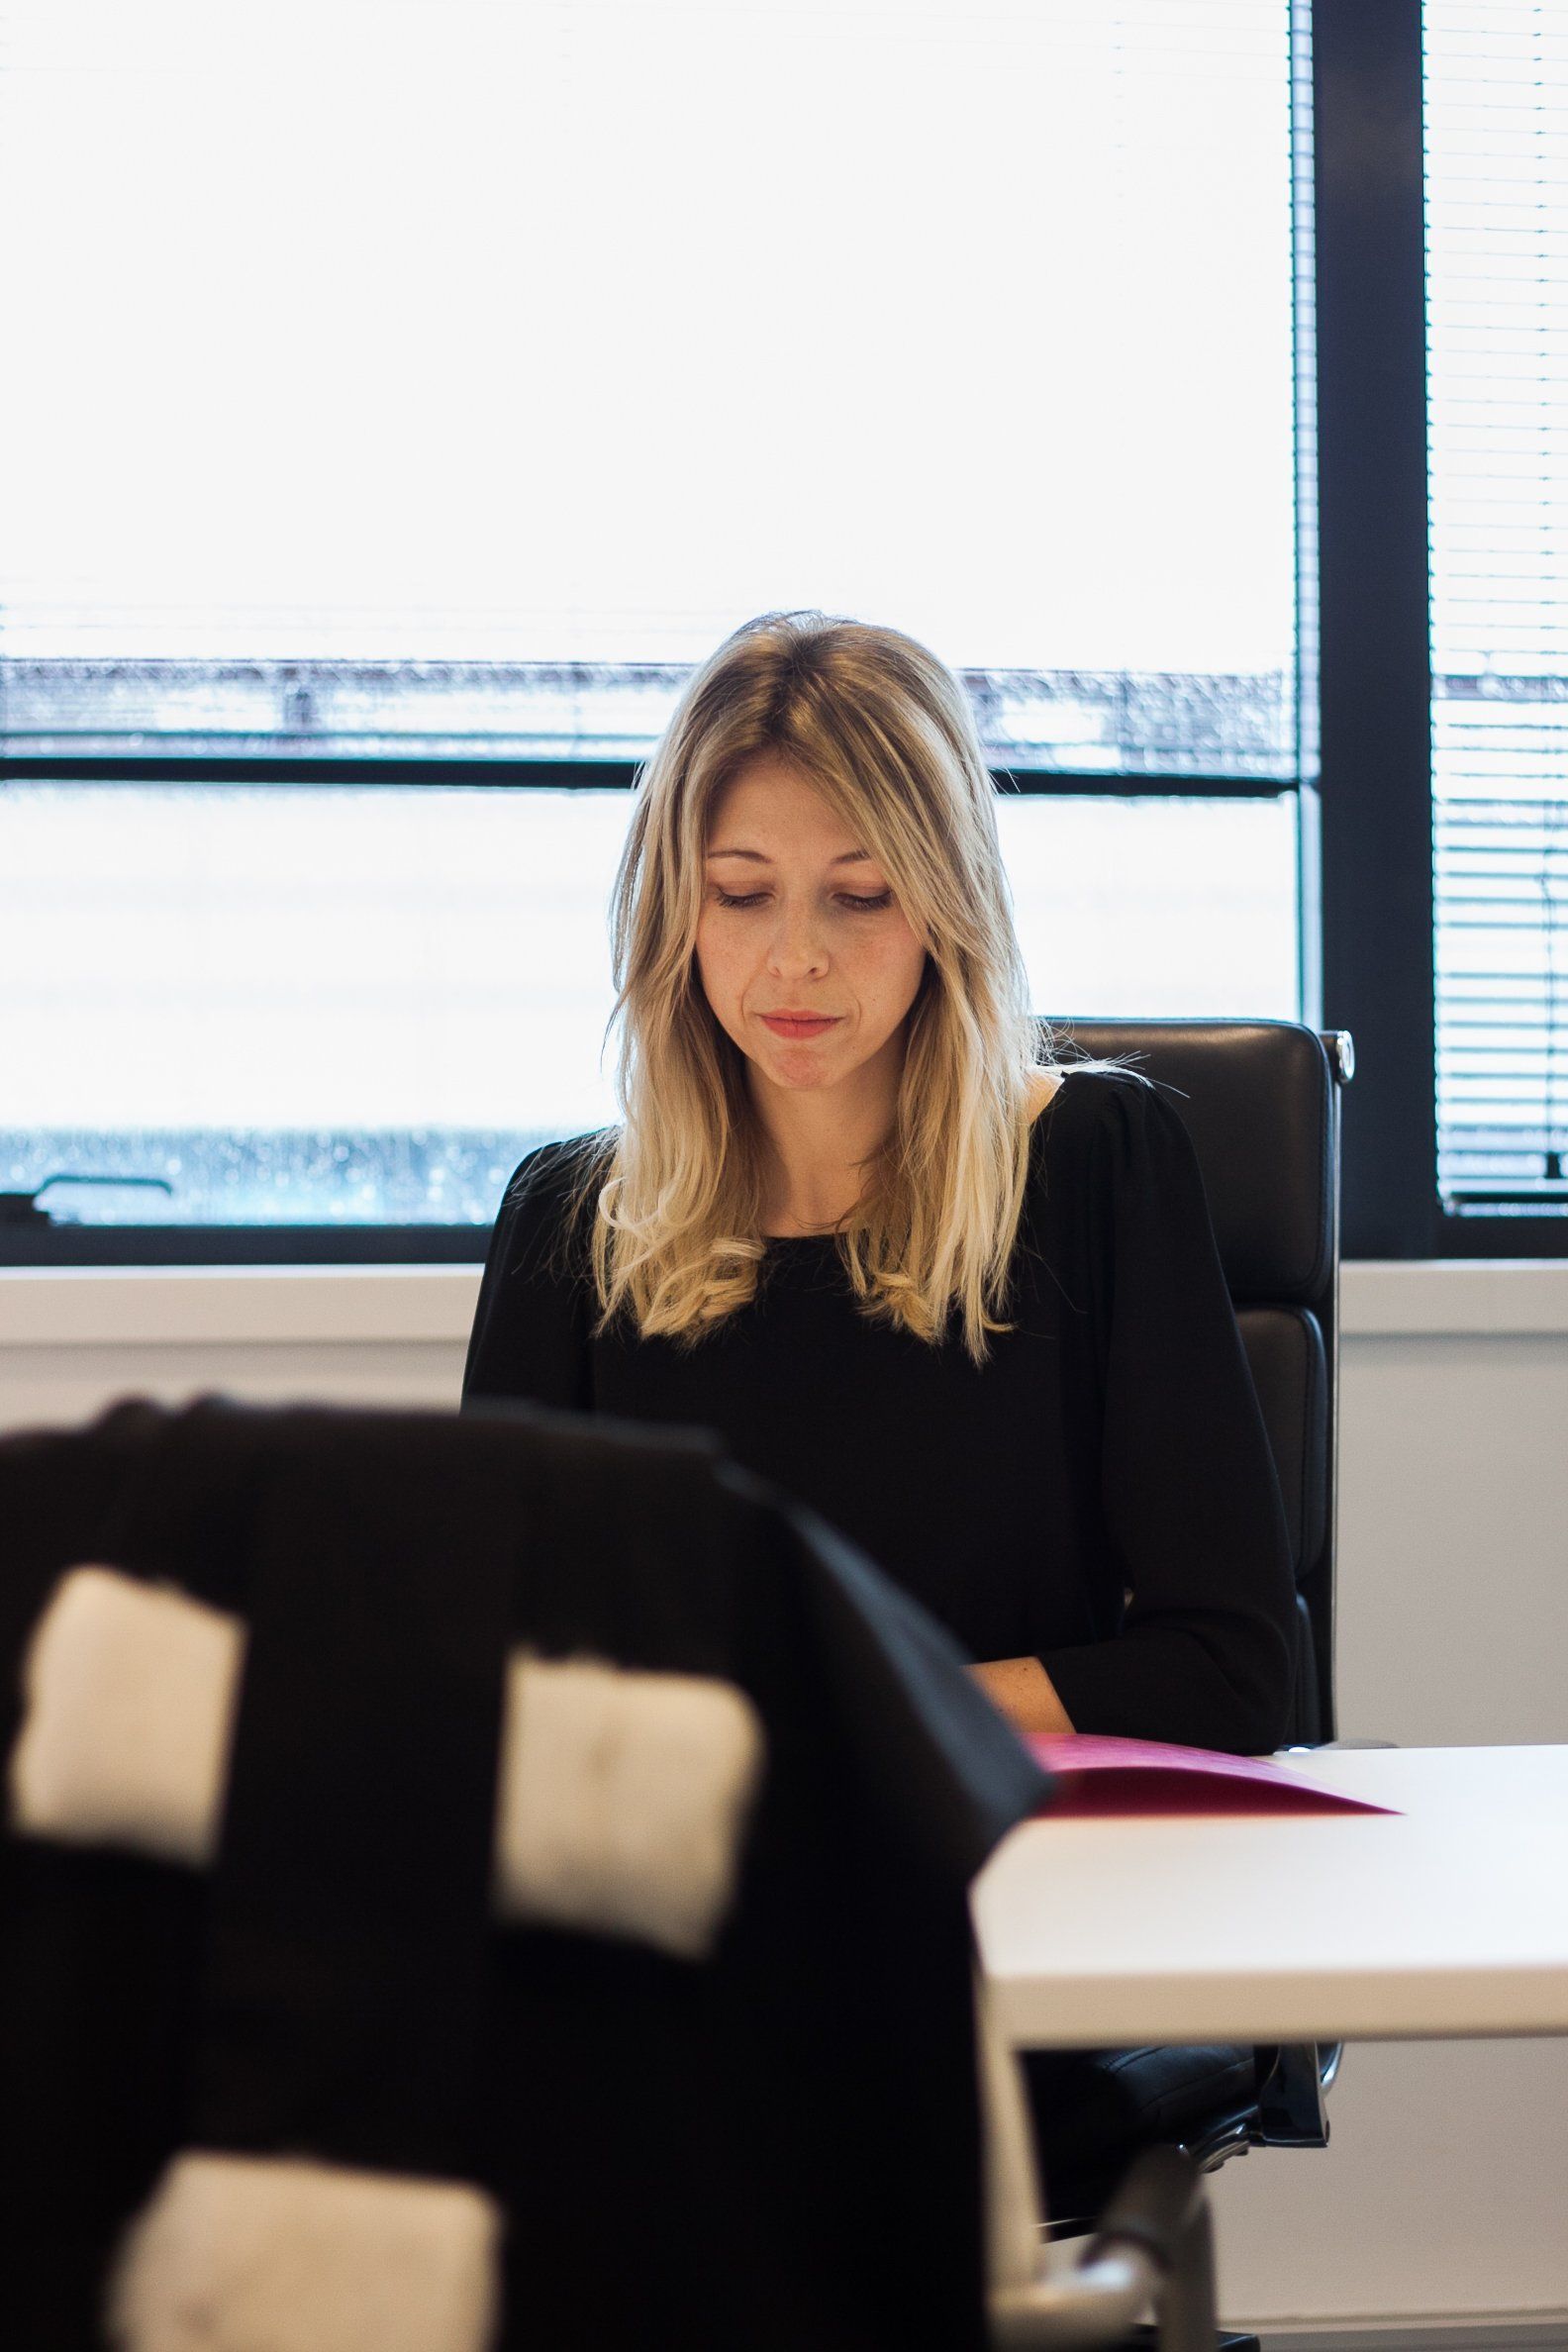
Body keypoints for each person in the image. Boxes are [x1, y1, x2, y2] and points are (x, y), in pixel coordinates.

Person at [463, 610, 1295, 1755]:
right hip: (686, 1876)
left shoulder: (1100, 1159)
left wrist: (840, 1700)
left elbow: (1232, 1675)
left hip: (1014, 1867)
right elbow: (491, 1677)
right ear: (675, 913)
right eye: (742, 894)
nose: (796, 957)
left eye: (861, 897)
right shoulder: (571, 1223)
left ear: (945, 910)